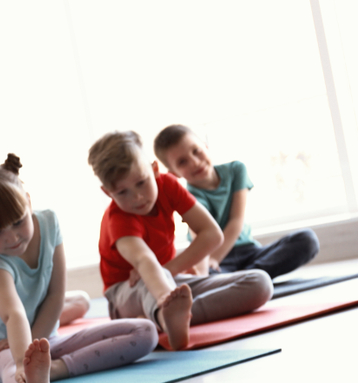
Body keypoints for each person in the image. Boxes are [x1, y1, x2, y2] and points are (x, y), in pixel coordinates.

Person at [0, 154, 157, 383]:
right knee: (13, 372)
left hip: (45, 340)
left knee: (145, 332)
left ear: (28, 202)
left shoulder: (49, 223)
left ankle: (53, 371)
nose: (12, 238)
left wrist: (36, 352)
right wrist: (23, 362)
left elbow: (56, 294)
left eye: (19, 221)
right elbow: (14, 314)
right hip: (4, 350)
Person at [88, 130, 273, 351]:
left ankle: (165, 316)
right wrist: (165, 296)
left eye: (141, 183)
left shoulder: (168, 185)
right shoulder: (118, 218)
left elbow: (212, 234)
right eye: (122, 192)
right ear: (108, 192)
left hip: (170, 279)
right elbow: (144, 261)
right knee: (155, 283)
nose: (136, 197)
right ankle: (165, 317)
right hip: (127, 291)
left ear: (154, 169)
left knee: (260, 283)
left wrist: (170, 283)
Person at [153, 124, 319, 279]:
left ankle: (246, 279)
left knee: (307, 240)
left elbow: (236, 221)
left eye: (196, 151)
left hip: (250, 252)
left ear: (206, 146)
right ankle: (249, 280)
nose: (195, 162)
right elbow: (200, 238)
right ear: (174, 173)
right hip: (217, 262)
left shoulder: (236, 170)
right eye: (182, 162)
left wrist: (216, 259)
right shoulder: (186, 197)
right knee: (205, 276)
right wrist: (212, 261)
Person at [0, 199, 91, 322]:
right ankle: (26, 328)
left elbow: (54, 294)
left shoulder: (40, 224)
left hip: (15, 304)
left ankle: (31, 325)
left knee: (82, 300)